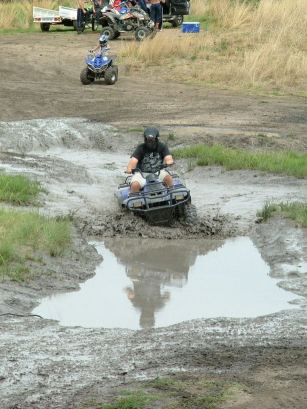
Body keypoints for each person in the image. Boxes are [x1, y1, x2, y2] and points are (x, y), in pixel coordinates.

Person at [126, 127, 174, 193]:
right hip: (142, 174)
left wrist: (169, 162)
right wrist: (130, 168)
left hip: (158, 172)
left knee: (168, 178)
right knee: (135, 185)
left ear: (156, 138)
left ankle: (171, 195)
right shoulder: (140, 148)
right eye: (148, 140)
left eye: (152, 140)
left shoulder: (162, 146)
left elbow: (168, 158)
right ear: (145, 139)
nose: (150, 142)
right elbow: (133, 160)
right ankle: (137, 200)